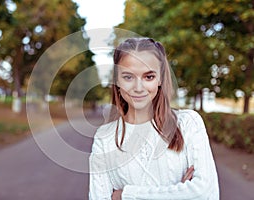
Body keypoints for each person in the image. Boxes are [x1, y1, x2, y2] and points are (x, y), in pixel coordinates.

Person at [89, 38, 219, 200]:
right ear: (117, 80)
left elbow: (205, 194)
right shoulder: (104, 137)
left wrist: (125, 195)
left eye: (148, 77)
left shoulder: (188, 123)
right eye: (128, 77)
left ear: (160, 78)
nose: (138, 87)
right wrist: (181, 193)